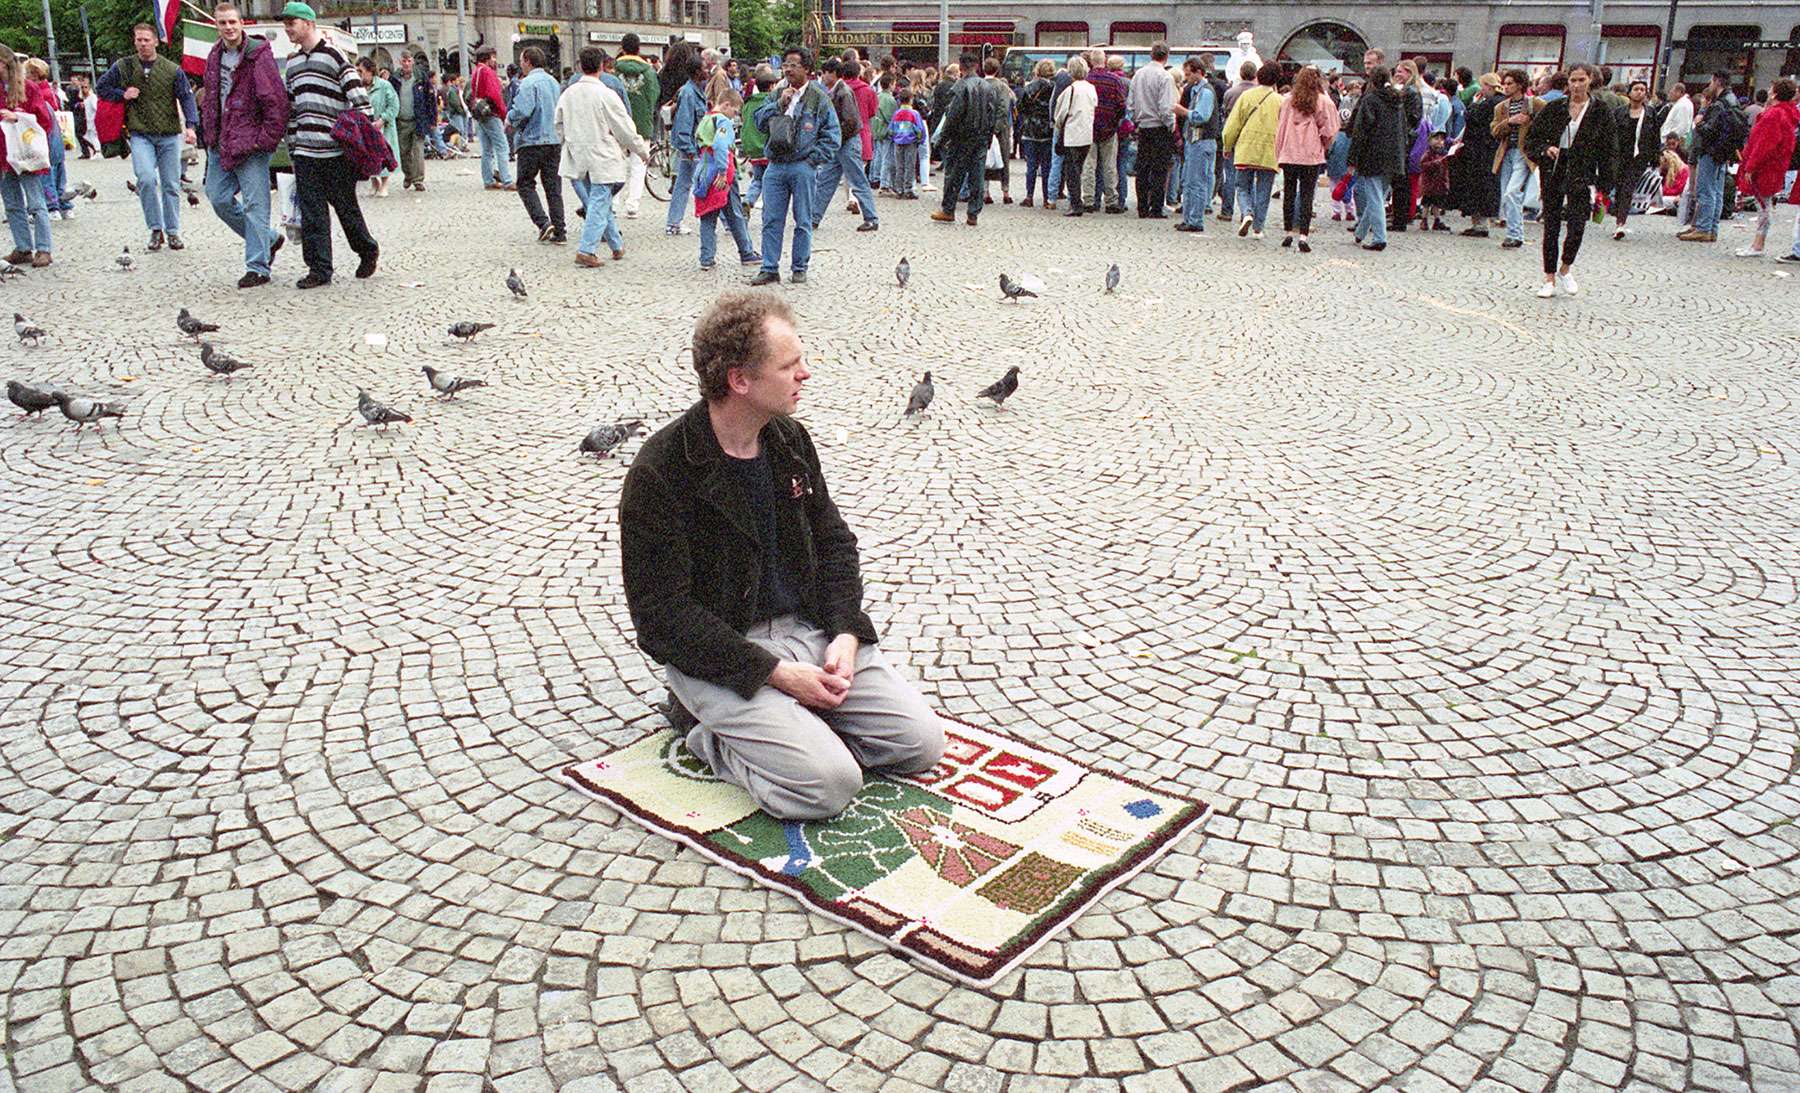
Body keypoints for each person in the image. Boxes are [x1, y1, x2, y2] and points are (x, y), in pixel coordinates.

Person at [620, 292, 946, 823]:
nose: (805, 374)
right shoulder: (662, 470)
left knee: (920, 744)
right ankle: (706, 733)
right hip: (724, 655)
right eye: (790, 365)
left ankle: (794, 731)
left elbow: (835, 543)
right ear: (739, 380)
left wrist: (845, 632)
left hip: (808, 633)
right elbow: (662, 617)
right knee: (830, 786)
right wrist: (774, 674)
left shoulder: (789, 441)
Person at [280, 0, 378, 289]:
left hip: (335, 152)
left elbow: (361, 101)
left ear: (308, 24)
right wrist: (293, 144)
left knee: (346, 208)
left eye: (291, 23)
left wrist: (354, 137)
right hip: (305, 151)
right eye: (285, 24)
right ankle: (319, 269)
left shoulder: (335, 56)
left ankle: (367, 249)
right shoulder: (292, 64)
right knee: (313, 214)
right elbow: (292, 108)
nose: (287, 29)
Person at [197, 0, 289, 288]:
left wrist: (265, 140)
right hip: (221, 141)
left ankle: (257, 267)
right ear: (216, 26)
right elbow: (211, 98)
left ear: (241, 24)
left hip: (251, 144)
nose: (228, 27)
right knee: (218, 197)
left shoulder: (257, 55)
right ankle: (268, 240)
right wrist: (208, 133)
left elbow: (276, 101)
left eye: (232, 22)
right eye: (223, 23)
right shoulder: (214, 55)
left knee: (255, 205)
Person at [97, 23, 200, 251]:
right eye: (138, 40)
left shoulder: (172, 69)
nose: (142, 44)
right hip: (140, 134)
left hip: (168, 134)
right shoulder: (123, 66)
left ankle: (173, 231)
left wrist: (191, 126)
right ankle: (155, 228)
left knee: (171, 184)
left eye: (146, 40)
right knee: (145, 179)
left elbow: (186, 97)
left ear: (155, 41)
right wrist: (122, 94)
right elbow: (101, 87)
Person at [1524, 63, 1615, 298]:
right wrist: (1545, 149)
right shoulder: (1555, 108)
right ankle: (1549, 277)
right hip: (1555, 167)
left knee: (1577, 224)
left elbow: (1609, 149)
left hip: (1582, 168)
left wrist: (1605, 184)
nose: (1576, 85)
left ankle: (1565, 268)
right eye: (1573, 80)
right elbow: (1532, 139)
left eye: (1581, 80)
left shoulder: (1600, 110)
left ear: (1590, 80)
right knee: (1551, 224)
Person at [750, 47, 838, 285]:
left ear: (807, 69)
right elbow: (758, 122)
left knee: (803, 220)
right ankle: (769, 267)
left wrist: (813, 160)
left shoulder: (819, 98)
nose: (788, 70)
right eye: (786, 65)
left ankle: (800, 267)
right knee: (771, 219)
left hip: (802, 166)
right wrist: (779, 104)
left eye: (793, 65)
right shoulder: (777, 93)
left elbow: (832, 135)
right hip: (775, 165)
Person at [556, 46, 648, 268]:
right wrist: (640, 150)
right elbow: (624, 127)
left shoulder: (568, 94)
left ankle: (616, 244)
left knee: (600, 199)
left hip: (578, 153)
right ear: (601, 66)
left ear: (580, 66)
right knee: (599, 199)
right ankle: (586, 249)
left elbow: (558, 124)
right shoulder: (606, 94)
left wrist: (568, 143)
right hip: (602, 154)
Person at [1273, 65, 1339, 252]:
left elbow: (1281, 127)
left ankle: (1288, 232)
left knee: (1289, 192)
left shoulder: (1288, 100)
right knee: (1307, 194)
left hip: (1289, 152)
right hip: (1311, 153)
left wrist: (1279, 151)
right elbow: (1329, 129)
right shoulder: (1323, 101)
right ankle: (1303, 235)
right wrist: (1324, 145)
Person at [928, 52, 997, 226]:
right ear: (977, 66)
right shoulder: (987, 87)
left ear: (961, 67)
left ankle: (948, 210)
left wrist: (942, 138)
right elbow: (992, 114)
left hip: (961, 137)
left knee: (954, 174)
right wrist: (989, 137)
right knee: (977, 175)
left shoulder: (960, 87)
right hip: (981, 136)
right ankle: (973, 213)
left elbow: (953, 116)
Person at [1732, 78, 1798, 259]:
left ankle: (1758, 244)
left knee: (1763, 205)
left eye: (1771, 89)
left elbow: (1764, 144)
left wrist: (1751, 167)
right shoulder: (1785, 113)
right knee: (1764, 204)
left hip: (1765, 167)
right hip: (1774, 165)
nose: (1768, 91)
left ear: (1775, 93)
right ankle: (1758, 243)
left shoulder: (1774, 115)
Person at [0, 45, 54, 267]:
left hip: (25, 154)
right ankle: (23, 248)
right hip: (3, 155)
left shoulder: (29, 88)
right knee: (12, 204)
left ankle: (44, 248)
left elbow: (44, 121)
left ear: (5, 63)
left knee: (35, 202)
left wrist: (18, 117)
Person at [694, 87, 759, 270]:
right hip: (721, 173)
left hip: (704, 171)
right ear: (726, 105)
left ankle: (706, 257)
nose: (734, 117)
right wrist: (723, 171)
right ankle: (746, 253)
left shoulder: (706, 119)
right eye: (735, 112)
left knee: (708, 216)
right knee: (735, 213)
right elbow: (720, 145)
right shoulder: (723, 121)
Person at [1681, 71, 1747, 244]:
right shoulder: (1732, 101)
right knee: (1716, 191)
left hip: (1711, 151)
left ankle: (1703, 228)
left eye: (1711, 81)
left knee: (1706, 190)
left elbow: (1710, 130)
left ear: (1717, 81)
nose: (1710, 84)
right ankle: (1711, 228)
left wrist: (1699, 123)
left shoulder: (1720, 104)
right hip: (1723, 151)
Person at [812, 59, 878, 232]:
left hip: (847, 142)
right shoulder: (836, 90)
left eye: (825, 73)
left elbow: (851, 121)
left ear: (833, 73)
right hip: (840, 142)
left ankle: (871, 218)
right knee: (826, 180)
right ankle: (813, 217)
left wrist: (835, 136)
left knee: (857, 180)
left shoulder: (843, 92)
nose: (822, 77)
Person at [1347, 65, 1407, 252]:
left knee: (1374, 197)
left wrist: (1352, 158)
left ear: (1372, 80)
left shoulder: (1370, 100)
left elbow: (1360, 131)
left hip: (1373, 155)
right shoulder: (1397, 100)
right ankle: (1361, 232)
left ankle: (1380, 237)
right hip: (1394, 154)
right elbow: (1404, 129)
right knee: (1378, 196)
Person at [509, 46, 564, 244]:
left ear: (528, 61)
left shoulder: (528, 83)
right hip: (553, 140)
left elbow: (523, 110)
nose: (521, 65)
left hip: (531, 140)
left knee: (525, 184)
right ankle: (560, 230)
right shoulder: (554, 82)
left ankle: (542, 222)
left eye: (522, 61)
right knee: (553, 187)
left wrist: (510, 118)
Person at [1221, 62, 1281, 240]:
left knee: (1242, 186)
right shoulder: (1280, 101)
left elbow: (1233, 124)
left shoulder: (1247, 96)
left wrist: (1227, 145)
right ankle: (1258, 228)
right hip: (1269, 151)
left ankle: (1247, 212)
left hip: (1246, 148)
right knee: (1264, 190)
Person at [665, 49, 715, 236]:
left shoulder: (697, 91)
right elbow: (684, 123)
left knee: (683, 184)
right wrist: (689, 150)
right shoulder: (688, 93)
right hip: (692, 148)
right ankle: (726, 221)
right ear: (696, 72)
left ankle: (673, 223)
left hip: (693, 147)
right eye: (704, 68)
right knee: (708, 181)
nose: (708, 70)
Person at [1491, 69, 1542, 250]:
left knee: (1512, 192)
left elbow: (1549, 122)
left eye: (1509, 83)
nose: (1505, 87)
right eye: (1504, 83)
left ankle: (1515, 235)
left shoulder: (1534, 103)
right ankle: (1513, 233)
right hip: (1506, 153)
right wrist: (1510, 122)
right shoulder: (1501, 107)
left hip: (1524, 153)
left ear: (1520, 85)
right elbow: (1495, 131)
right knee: (1507, 195)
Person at [1448, 73, 1501, 237]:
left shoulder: (1489, 103)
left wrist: (1474, 104)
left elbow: (1471, 116)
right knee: (1482, 186)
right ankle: (1479, 223)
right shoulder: (1496, 101)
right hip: (1484, 149)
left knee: (1479, 186)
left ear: (1488, 86)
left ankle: (1480, 225)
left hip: (1480, 150)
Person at [1127, 42, 1177, 218]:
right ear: (1167, 56)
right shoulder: (1165, 77)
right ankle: (1156, 207)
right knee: (1159, 169)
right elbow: (1165, 107)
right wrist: (1171, 124)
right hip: (1159, 126)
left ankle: (1142, 207)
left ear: (1151, 54)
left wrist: (1136, 119)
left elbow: (1130, 103)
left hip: (1143, 126)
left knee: (1142, 168)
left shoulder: (1138, 75)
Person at [613, 34, 659, 219]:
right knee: (638, 165)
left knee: (617, 163)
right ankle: (632, 205)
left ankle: (613, 202)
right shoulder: (648, 72)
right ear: (639, 49)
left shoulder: (614, 70)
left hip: (618, 123)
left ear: (622, 48)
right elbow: (654, 94)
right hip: (642, 123)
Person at [1609, 79, 1659, 240]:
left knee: (1628, 188)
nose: (1639, 92)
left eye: (1643, 90)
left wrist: (1655, 157)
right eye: (1636, 89)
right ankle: (1618, 213)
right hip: (1620, 155)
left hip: (1639, 157)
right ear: (1629, 93)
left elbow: (1655, 136)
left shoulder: (1650, 113)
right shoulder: (1619, 112)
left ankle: (1620, 223)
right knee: (1619, 186)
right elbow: (1611, 134)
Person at [1175, 55, 1220, 233]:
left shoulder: (1206, 92)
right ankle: (1189, 218)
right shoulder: (1196, 90)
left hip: (1201, 141)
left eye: (1188, 74)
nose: (1186, 78)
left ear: (1198, 72)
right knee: (1189, 181)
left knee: (1197, 182)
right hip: (1193, 141)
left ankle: (1195, 220)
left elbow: (1202, 116)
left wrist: (1183, 112)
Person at [1052, 56, 1096, 217]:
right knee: (1081, 169)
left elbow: (1060, 114)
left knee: (1072, 172)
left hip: (1072, 135)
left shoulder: (1070, 90)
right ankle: (1078, 201)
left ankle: (1076, 204)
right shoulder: (1091, 88)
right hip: (1087, 134)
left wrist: (1058, 125)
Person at [1085, 49, 1128, 213]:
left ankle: (1089, 200)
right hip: (1109, 128)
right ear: (1105, 61)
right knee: (1110, 166)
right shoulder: (1114, 80)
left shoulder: (1086, 79)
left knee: (1089, 165)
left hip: (1089, 128)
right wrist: (1115, 121)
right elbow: (1122, 105)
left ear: (1091, 62)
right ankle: (1111, 201)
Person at [469, 47, 512, 190]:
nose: (495, 60)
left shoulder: (476, 71)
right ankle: (507, 180)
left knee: (486, 150)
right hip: (492, 114)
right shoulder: (488, 72)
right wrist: (503, 113)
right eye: (493, 57)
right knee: (502, 147)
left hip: (480, 113)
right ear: (487, 58)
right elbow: (494, 95)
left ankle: (488, 180)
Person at [358, 57, 398, 198]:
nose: (359, 74)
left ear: (370, 71)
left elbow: (394, 106)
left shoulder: (384, 85)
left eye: (361, 71)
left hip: (383, 127)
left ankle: (385, 184)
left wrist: (383, 119)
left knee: (383, 155)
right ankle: (375, 183)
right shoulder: (359, 87)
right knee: (368, 156)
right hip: (366, 128)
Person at [389, 52, 430, 191]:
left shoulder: (420, 77)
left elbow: (430, 98)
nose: (406, 64)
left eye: (409, 61)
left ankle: (418, 180)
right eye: (404, 61)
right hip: (401, 121)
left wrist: (431, 119)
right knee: (403, 152)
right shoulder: (394, 79)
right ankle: (408, 175)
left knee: (418, 151)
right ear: (400, 62)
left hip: (418, 120)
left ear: (412, 62)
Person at [1017, 60, 1056, 207]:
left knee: (1031, 166)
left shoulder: (1030, 87)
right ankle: (1047, 197)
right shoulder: (1054, 87)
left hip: (1031, 130)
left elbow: (1020, 106)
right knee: (1047, 166)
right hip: (1047, 130)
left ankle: (1029, 196)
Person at [741, 64, 775, 210]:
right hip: (767, 146)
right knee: (770, 181)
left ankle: (748, 200)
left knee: (757, 179)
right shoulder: (771, 102)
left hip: (752, 148)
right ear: (771, 86)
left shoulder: (748, 103)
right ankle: (769, 207)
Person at [887, 88, 923, 200]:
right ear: (911, 99)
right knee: (910, 166)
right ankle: (908, 189)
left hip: (898, 142)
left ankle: (899, 189)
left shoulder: (896, 113)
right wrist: (920, 139)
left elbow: (891, 129)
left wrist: (894, 137)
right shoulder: (914, 114)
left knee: (899, 166)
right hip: (911, 142)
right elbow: (920, 129)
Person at [1417, 130, 1451, 230]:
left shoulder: (1444, 154)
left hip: (1439, 184)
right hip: (1429, 184)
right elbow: (1423, 165)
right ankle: (1424, 220)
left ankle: (1437, 220)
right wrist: (1434, 163)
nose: (1439, 141)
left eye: (1441, 139)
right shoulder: (1428, 154)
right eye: (1436, 139)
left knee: (1437, 204)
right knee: (1426, 204)